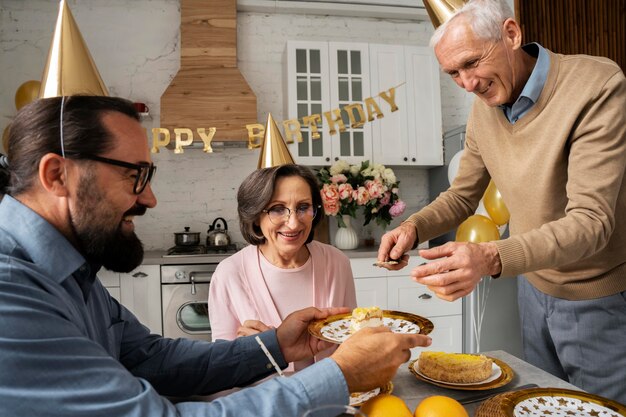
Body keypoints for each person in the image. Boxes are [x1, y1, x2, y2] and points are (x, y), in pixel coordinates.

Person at [0, 95, 432, 417]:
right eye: (135, 175)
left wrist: (275, 344)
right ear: (57, 175)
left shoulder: (75, 274)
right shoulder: (10, 291)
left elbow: (153, 359)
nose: (150, 198)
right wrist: (339, 376)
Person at [378, 0, 626, 404]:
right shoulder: (484, 110)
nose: (468, 83)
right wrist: (413, 227)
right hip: (533, 287)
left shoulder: (595, 84)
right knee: (542, 406)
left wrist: (490, 256)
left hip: (595, 294)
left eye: (472, 63)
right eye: (453, 73)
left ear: (512, 34)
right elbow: (462, 195)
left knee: (602, 409)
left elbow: (591, 221)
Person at [209, 164, 357, 371]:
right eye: (278, 209)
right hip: (262, 400)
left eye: (303, 207)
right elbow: (220, 369)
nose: (294, 223)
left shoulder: (337, 263)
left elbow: (351, 342)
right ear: (255, 215)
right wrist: (245, 352)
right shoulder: (229, 274)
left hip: (330, 398)